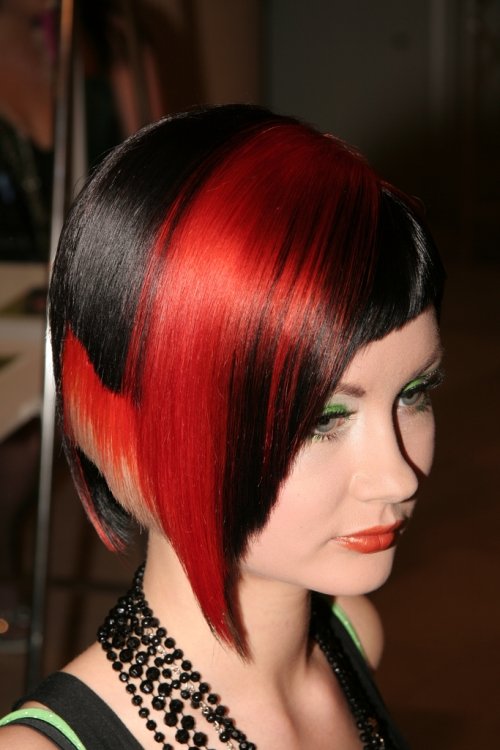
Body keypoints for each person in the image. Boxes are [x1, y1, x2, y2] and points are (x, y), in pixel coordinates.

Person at [0, 104, 445, 749]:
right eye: (320, 421)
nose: (397, 476)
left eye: (414, 394)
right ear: (133, 436)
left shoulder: (353, 637)